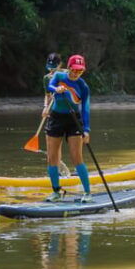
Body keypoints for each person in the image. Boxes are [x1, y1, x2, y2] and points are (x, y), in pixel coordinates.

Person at [44, 54, 92, 202]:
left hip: (74, 121)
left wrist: (86, 129)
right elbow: (50, 86)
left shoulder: (83, 86)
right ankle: (56, 192)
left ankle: (88, 193)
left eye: (80, 70)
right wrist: (56, 88)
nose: (77, 73)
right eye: (75, 70)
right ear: (69, 68)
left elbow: (85, 108)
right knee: (52, 158)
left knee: (76, 157)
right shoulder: (59, 76)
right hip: (56, 118)